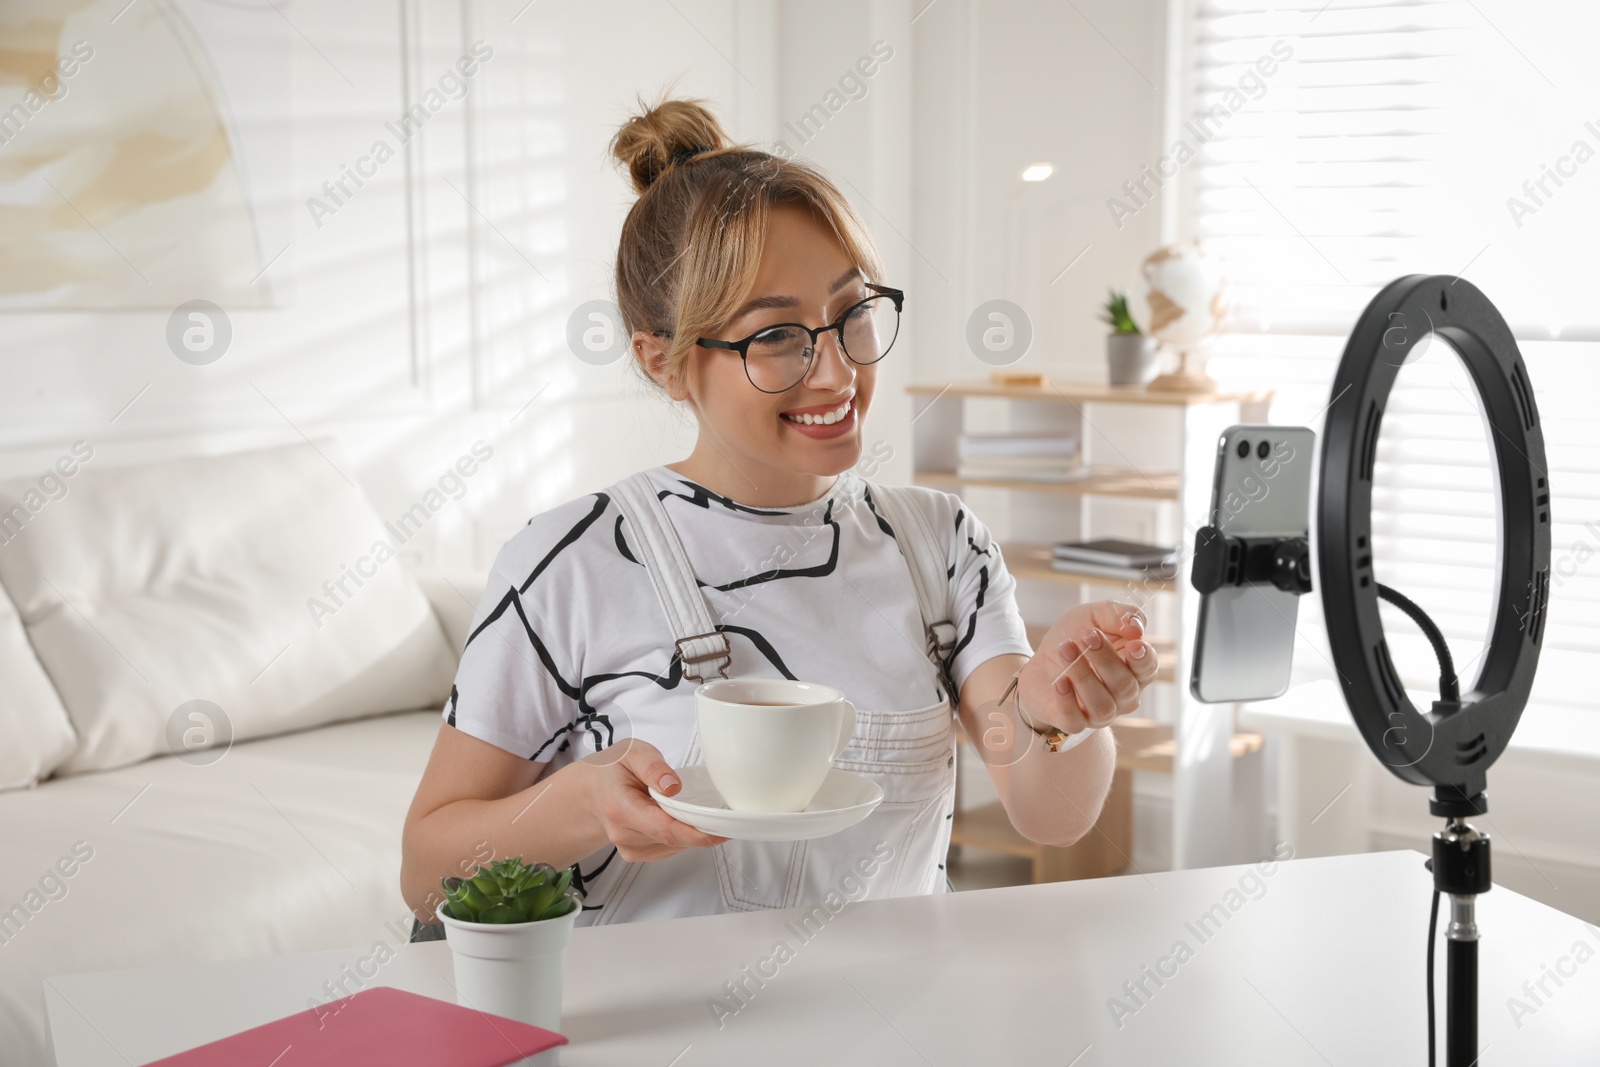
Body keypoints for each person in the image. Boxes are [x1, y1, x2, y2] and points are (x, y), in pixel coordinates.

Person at [400, 94, 1159, 935]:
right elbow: (425, 873)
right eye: (777, 338)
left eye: (852, 315)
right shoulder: (570, 564)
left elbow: (1051, 814)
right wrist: (576, 805)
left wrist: (1059, 713)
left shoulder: (939, 547)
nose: (835, 373)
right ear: (665, 362)